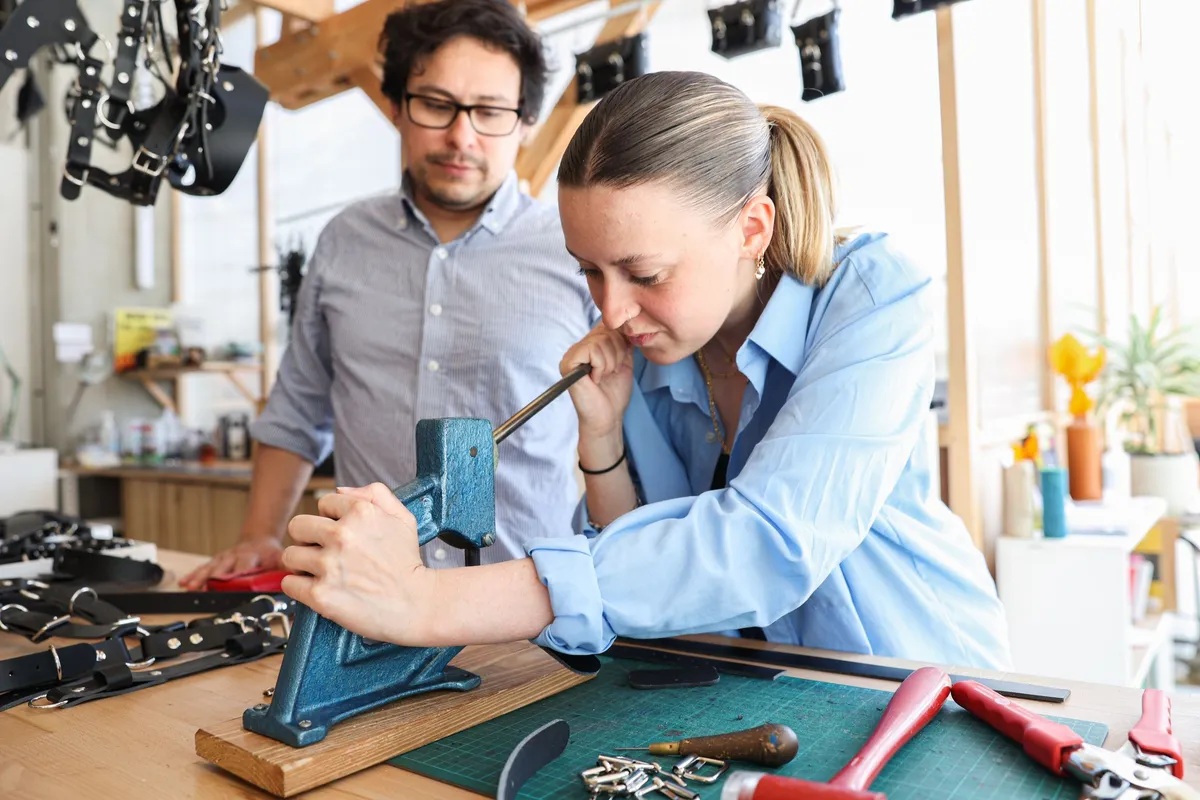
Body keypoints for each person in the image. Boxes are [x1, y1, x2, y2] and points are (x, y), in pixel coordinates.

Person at [275, 71, 1013, 670]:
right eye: (590, 272)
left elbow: (766, 547)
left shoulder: (872, 294)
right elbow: (645, 576)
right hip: (750, 686)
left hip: (922, 682)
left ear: (752, 229)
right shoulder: (649, 350)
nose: (613, 308)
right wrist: (601, 438)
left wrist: (428, 603)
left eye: (643, 271)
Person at [180, 0, 596, 589]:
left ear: (525, 121)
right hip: (366, 600)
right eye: (436, 105)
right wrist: (259, 535)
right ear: (398, 106)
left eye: (490, 111)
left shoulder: (575, 249)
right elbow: (298, 410)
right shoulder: (345, 240)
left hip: (527, 604)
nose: (461, 136)